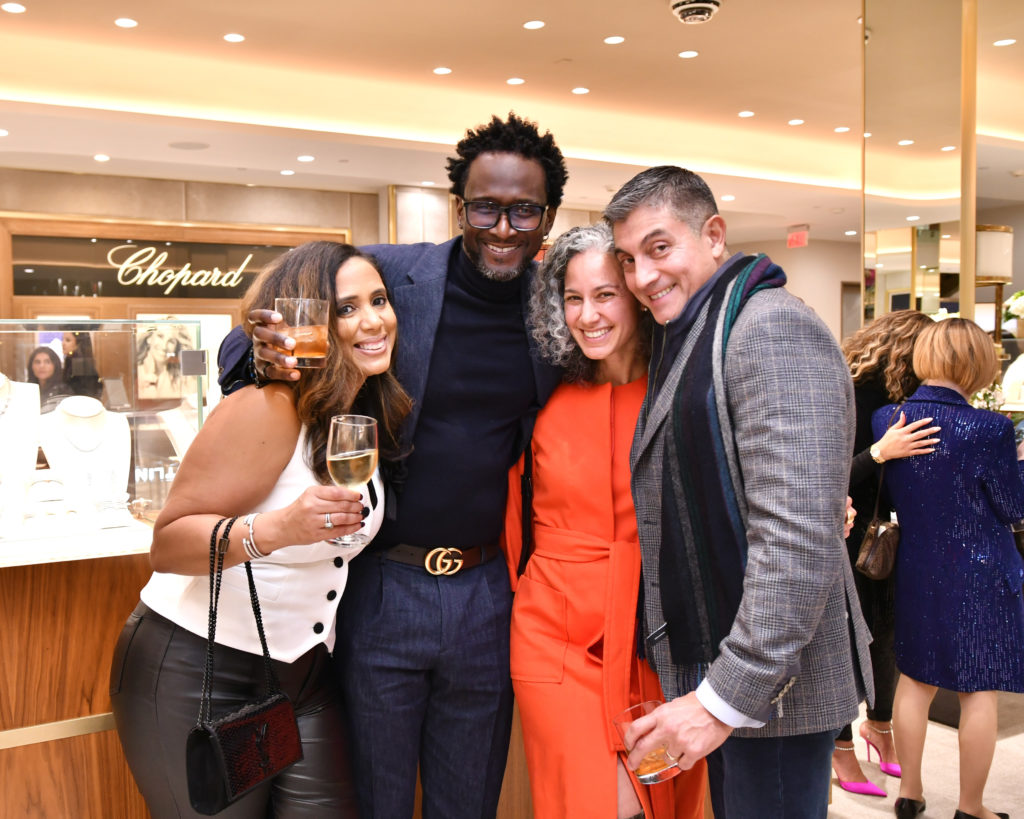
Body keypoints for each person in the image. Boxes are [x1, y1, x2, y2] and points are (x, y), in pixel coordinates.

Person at [217, 113, 566, 818]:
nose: (503, 227)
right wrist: (272, 356)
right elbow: (237, 353)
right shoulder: (390, 280)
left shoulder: (555, 309)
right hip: (383, 583)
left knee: (468, 801)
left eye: (523, 210)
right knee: (374, 799)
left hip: (488, 590)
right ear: (459, 207)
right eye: (486, 207)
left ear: (547, 216)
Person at [604, 166, 873, 819]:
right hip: (737, 671)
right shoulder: (697, 331)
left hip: (774, 687)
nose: (642, 277)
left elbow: (796, 543)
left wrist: (722, 697)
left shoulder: (769, 328)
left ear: (715, 234)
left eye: (660, 249)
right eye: (628, 260)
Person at [110, 241, 411, 818]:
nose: (373, 320)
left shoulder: (358, 412)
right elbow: (168, 544)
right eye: (346, 308)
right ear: (306, 323)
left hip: (302, 677)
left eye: (379, 300)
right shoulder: (268, 407)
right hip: (196, 670)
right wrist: (277, 529)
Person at [502, 223, 708, 819]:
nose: (586, 315)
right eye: (572, 297)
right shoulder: (543, 398)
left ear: (639, 298)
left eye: (604, 295)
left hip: (657, 633)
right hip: (553, 634)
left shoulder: (682, 393)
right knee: (597, 803)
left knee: (661, 797)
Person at [874, 317, 1024, 819]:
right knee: (977, 689)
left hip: (916, 567)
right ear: (977, 362)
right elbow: (1013, 507)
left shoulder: (886, 419)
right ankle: (971, 807)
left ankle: (910, 795)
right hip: (980, 570)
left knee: (914, 680)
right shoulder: (991, 429)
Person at [833, 310, 941, 796]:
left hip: (882, 534)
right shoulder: (852, 395)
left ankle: (879, 727)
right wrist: (881, 451)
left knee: (885, 636)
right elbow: (831, 480)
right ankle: (838, 748)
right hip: (844, 531)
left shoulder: (907, 397)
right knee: (840, 644)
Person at [137, 322, 194, 399]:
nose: (164, 346)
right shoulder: (134, 373)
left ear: (176, 347)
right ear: (149, 338)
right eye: (160, 336)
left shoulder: (184, 379)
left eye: (171, 341)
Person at [61, 329, 102, 399]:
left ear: (78, 344)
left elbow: (82, 391)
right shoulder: (70, 360)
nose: (63, 343)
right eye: (63, 339)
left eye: (68, 340)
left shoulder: (79, 363)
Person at [26, 345, 66, 412]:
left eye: (47, 362)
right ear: (31, 366)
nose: (42, 366)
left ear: (55, 366)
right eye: (37, 362)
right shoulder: (27, 390)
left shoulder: (63, 391)